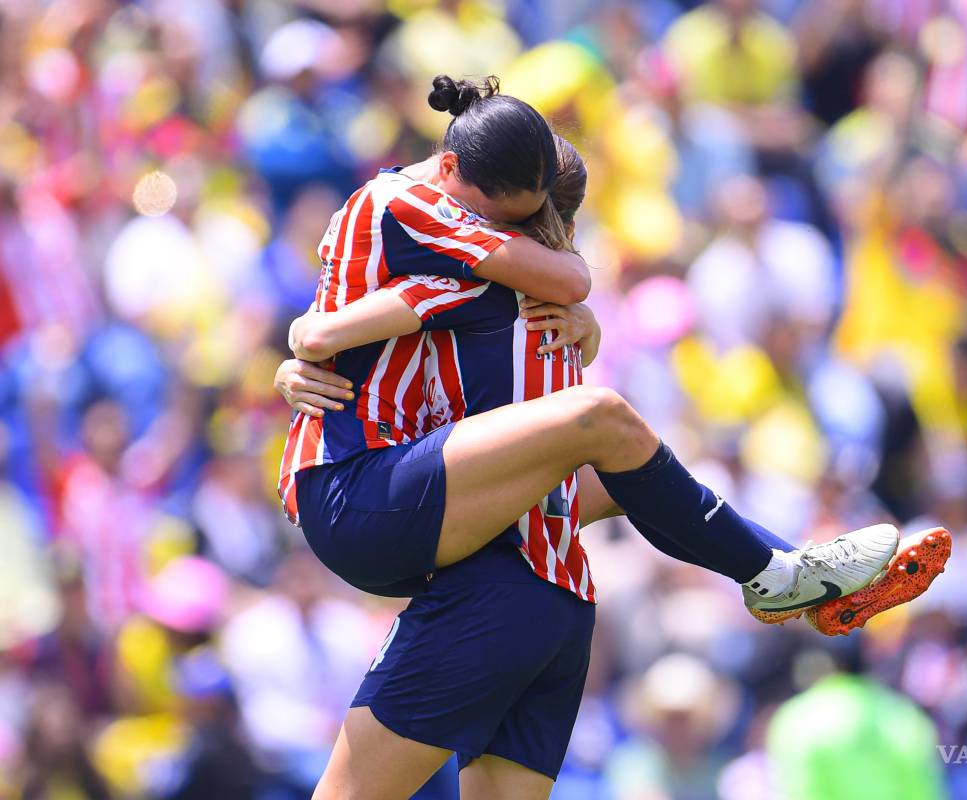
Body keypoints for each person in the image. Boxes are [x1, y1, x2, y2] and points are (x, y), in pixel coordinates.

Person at [275, 75, 919, 800]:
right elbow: (326, 327)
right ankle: (778, 574)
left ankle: (787, 576)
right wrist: (301, 352)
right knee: (604, 421)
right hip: (425, 530)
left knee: (622, 458)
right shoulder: (449, 249)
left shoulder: (507, 295)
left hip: (541, 585)